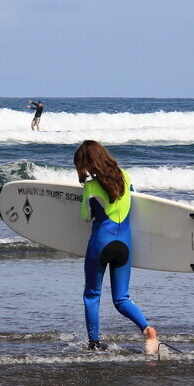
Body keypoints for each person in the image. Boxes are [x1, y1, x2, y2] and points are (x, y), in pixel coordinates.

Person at [74, 140, 159, 354]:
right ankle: (147, 329)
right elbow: (135, 198)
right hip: (124, 246)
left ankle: (94, 343)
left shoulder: (91, 187)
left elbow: (85, 217)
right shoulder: (125, 176)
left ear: (87, 162)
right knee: (122, 298)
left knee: (92, 295)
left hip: (100, 244)